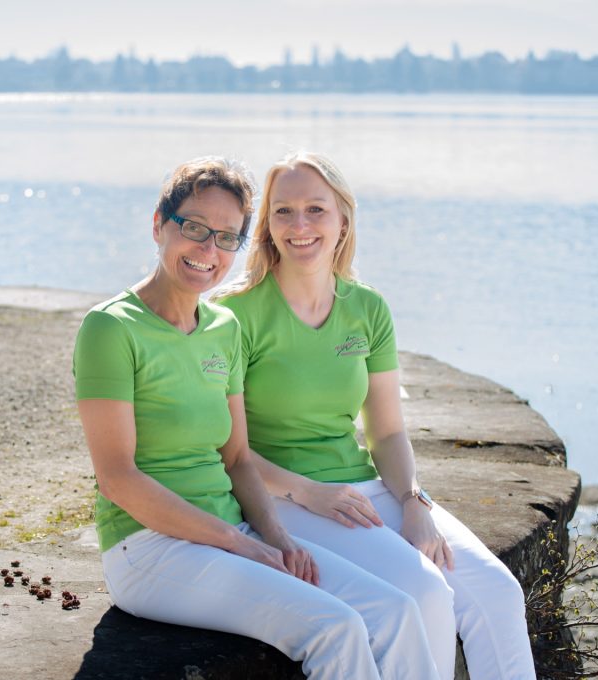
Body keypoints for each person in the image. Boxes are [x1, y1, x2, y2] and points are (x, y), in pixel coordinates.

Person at [73, 156, 439, 680]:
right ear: (159, 225)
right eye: (194, 228)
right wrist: (242, 544)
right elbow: (118, 479)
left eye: (227, 237)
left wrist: (277, 536)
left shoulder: (223, 326)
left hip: (234, 529)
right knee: (335, 627)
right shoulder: (111, 329)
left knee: (397, 609)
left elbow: (238, 456)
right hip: (149, 548)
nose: (208, 250)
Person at [215, 151, 538, 680]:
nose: (300, 226)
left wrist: (414, 503)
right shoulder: (233, 314)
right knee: (426, 593)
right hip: (284, 498)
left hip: (367, 490)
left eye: (316, 209)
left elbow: (386, 431)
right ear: (267, 227)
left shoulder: (368, 308)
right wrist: (309, 492)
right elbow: (231, 452)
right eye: (284, 211)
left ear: (343, 219)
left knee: (498, 594)